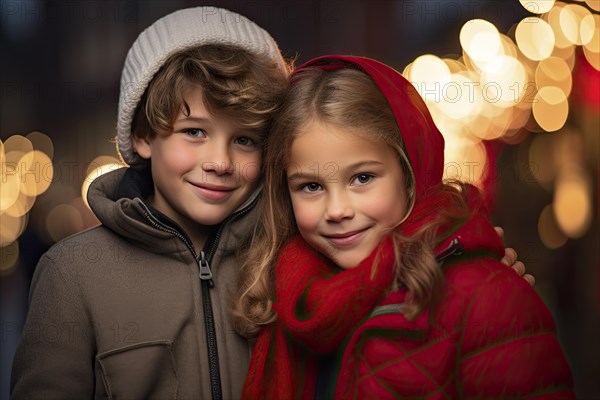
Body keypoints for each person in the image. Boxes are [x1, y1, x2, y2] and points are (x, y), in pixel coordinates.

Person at [235, 55, 574, 399]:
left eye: (363, 178)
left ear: (409, 176)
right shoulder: (277, 297)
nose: (337, 210)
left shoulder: (487, 299)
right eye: (310, 186)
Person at [10, 6, 289, 399]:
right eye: (194, 132)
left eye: (244, 139)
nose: (220, 162)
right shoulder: (72, 274)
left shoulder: (286, 258)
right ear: (143, 136)